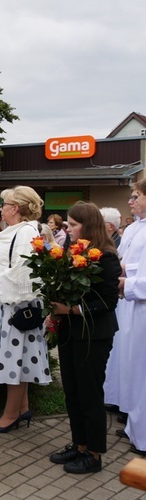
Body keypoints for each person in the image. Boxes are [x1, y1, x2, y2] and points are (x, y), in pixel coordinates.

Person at [47, 201, 119, 474]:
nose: (68, 228)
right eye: (68, 223)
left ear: (88, 225)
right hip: (69, 331)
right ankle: (79, 445)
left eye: (73, 224)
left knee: (89, 394)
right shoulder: (72, 250)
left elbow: (109, 302)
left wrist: (72, 309)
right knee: (73, 393)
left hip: (94, 335)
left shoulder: (107, 255)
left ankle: (95, 453)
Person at [0, 186, 50, 433]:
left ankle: (10, 415)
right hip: (10, 303)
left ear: (15, 209)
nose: (2, 210)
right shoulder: (19, 231)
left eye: (4, 205)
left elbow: (24, 271)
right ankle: (22, 408)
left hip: (15, 306)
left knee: (14, 361)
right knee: (21, 358)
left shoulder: (26, 232)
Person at [115, 181, 146, 457]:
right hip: (132, 306)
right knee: (132, 367)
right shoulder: (137, 227)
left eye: (136, 196)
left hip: (142, 304)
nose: (131, 201)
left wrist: (128, 282)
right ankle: (135, 425)